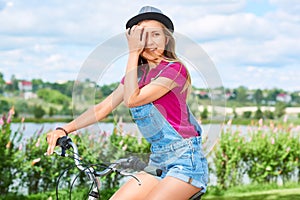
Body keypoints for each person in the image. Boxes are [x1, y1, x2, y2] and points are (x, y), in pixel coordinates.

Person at [46, 5, 208, 200]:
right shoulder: (136, 77)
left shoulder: (174, 70)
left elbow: (132, 99)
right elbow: (103, 108)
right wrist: (65, 129)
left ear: (166, 39)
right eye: (143, 37)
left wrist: (132, 53)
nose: (150, 42)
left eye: (155, 34)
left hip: (185, 161)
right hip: (158, 160)